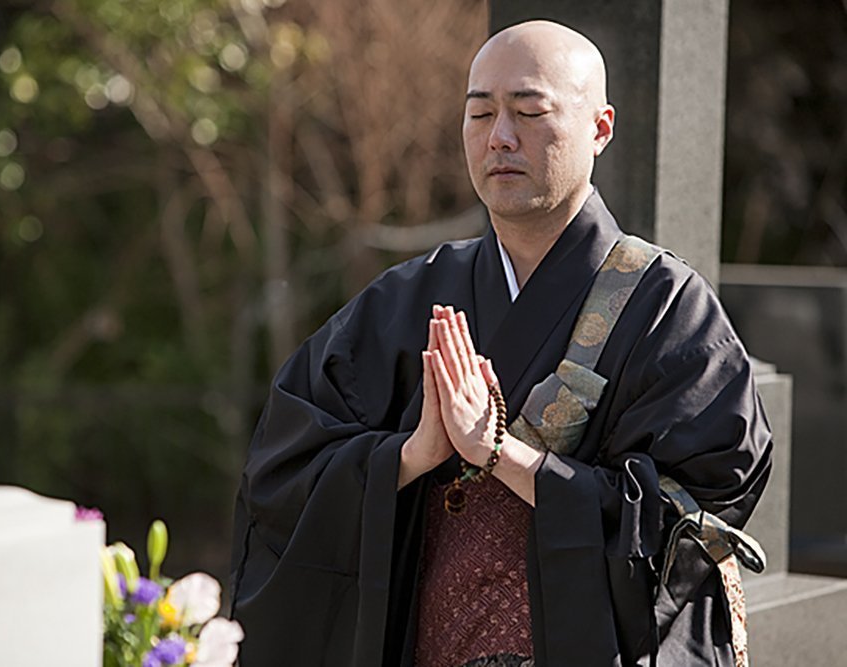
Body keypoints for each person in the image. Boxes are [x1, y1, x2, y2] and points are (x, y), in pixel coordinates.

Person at [229, 20, 772, 667]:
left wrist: (512, 459)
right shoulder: (411, 295)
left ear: (600, 128)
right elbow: (284, 464)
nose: (500, 137)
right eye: (480, 113)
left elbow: (701, 510)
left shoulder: (666, 307)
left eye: (529, 111)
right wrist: (409, 454)